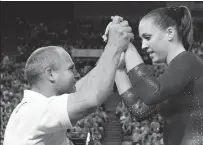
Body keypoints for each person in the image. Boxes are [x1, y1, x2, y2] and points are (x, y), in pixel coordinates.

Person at [3, 16, 134, 145]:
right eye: (71, 69)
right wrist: (114, 45)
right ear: (51, 74)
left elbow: (82, 88)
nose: (77, 74)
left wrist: (111, 57)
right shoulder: (33, 110)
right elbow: (91, 98)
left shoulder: (37, 109)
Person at [114, 6, 203, 145]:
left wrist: (127, 45)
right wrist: (118, 71)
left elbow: (152, 93)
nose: (143, 45)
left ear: (170, 33)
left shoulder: (188, 61)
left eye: (147, 37)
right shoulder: (175, 73)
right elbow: (140, 111)